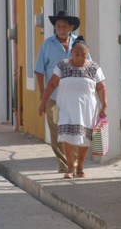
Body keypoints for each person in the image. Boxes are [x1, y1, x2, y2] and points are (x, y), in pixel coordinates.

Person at [38, 36, 107, 179]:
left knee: (84, 138)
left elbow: (101, 87)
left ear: (88, 52)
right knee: (66, 136)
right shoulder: (62, 66)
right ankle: (70, 167)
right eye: (77, 54)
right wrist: (43, 102)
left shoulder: (94, 67)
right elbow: (52, 84)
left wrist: (104, 105)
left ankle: (80, 167)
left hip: (87, 109)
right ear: (71, 53)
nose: (80, 57)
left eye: (83, 54)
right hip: (66, 107)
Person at [34, 10, 84, 173]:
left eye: (64, 26)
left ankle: (74, 163)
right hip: (54, 97)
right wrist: (43, 95)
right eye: (57, 26)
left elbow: (88, 66)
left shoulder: (79, 43)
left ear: (71, 27)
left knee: (75, 129)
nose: (60, 28)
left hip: (75, 96)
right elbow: (39, 71)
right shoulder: (47, 45)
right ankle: (64, 165)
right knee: (57, 131)